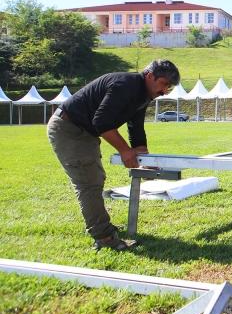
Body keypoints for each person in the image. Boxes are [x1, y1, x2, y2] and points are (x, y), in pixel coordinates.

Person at [47, 60, 180, 252]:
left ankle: (102, 227)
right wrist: (126, 151)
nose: (165, 91)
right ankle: (104, 237)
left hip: (83, 129)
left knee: (95, 178)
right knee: (88, 183)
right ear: (150, 76)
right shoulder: (125, 85)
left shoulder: (143, 94)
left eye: (169, 88)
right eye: (164, 84)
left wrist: (144, 160)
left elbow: (136, 127)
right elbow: (102, 122)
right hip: (69, 128)